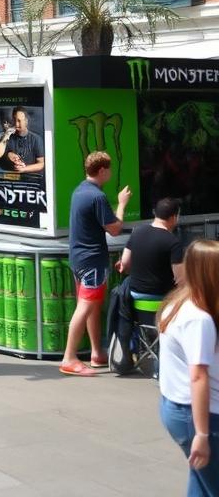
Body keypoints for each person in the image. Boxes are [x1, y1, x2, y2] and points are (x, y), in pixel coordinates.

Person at [60, 151, 132, 376]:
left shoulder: (80, 190)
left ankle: (96, 353)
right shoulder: (97, 197)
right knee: (85, 308)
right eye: (108, 168)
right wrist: (121, 204)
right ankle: (69, 358)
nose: (110, 172)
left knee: (91, 307)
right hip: (93, 261)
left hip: (79, 259)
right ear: (102, 171)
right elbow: (115, 228)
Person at [158, 240, 219, 495]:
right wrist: (202, 434)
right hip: (200, 416)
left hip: (179, 409)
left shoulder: (177, 303)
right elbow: (198, 376)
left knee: (202, 481)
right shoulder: (199, 319)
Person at [119, 196, 184, 296]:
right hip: (161, 300)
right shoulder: (173, 242)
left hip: (134, 297)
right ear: (174, 217)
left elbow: (125, 263)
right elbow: (180, 279)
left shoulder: (137, 232)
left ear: (155, 213)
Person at [0, 106, 45, 174]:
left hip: (29, 178)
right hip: (9, 177)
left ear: (26, 121)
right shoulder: (7, 136)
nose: (16, 124)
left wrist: (24, 169)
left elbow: (41, 164)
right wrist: (6, 135)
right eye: (14, 120)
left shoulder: (36, 139)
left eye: (19, 121)